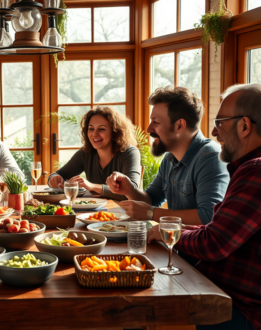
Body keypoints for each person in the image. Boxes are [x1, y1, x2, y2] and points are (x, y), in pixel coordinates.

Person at [148, 83, 261, 329]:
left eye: (220, 122)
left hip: (235, 308)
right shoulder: (246, 169)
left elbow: (213, 243)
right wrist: (163, 230)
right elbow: (215, 231)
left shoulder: (255, 171)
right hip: (213, 289)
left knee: (143, 307)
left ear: (244, 126)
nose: (213, 130)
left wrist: (166, 231)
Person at [106, 86, 229, 225]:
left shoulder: (210, 157)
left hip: (195, 246)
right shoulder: (170, 158)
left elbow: (209, 216)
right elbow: (152, 199)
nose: (148, 129)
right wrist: (130, 191)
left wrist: (150, 213)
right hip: (174, 244)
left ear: (179, 125)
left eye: (156, 122)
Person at [48, 106, 141, 201]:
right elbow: (60, 174)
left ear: (115, 131)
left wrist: (92, 186)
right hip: (95, 212)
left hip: (125, 212)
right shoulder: (85, 153)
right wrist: (55, 178)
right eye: (91, 128)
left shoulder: (130, 152)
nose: (94, 134)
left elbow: (131, 191)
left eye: (101, 129)